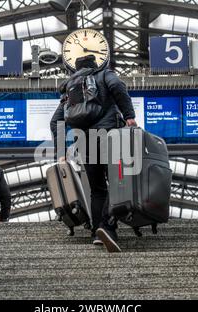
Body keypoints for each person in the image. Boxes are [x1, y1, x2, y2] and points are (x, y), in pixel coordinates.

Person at [50, 55, 137, 252]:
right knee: (119, 183)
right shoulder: (104, 74)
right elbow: (118, 88)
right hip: (109, 135)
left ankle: (97, 231)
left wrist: (61, 151)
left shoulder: (70, 88)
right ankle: (107, 227)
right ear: (95, 65)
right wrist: (129, 116)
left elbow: (56, 121)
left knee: (97, 189)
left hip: (84, 141)